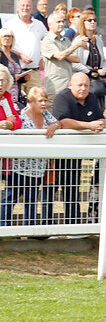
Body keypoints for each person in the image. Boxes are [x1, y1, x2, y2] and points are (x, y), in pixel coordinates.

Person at [0, 86, 60, 228]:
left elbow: (59, 123)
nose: (44, 104)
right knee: (10, 198)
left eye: (45, 100)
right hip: (19, 168)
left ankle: (30, 228)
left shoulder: (47, 116)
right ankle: (4, 227)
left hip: (38, 168)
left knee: (32, 200)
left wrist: (54, 126)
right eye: (40, 101)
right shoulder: (22, 118)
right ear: (31, 101)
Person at [51, 73, 105, 223]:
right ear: (70, 85)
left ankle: (72, 223)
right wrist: (89, 125)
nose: (83, 88)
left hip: (77, 151)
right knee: (51, 190)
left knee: (72, 188)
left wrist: (101, 124)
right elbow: (63, 121)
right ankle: (45, 226)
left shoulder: (92, 98)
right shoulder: (62, 97)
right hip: (58, 151)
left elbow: (100, 117)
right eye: (79, 85)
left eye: (86, 85)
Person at [41, 12, 89, 109]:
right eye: (58, 22)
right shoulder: (47, 41)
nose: (62, 24)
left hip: (68, 86)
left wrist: (63, 53)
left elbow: (76, 59)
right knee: (54, 117)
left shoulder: (66, 41)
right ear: (50, 24)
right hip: (55, 87)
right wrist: (74, 46)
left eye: (63, 22)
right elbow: (59, 56)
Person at [76, 11, 106, 111]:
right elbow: (74, 63)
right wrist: (89, 71)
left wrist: (103, 69)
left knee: (99, 108)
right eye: (89, 20)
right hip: (85, 80)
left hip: (98, 80)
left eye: (94, 20)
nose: (92, 22)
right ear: (83, 23)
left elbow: (103, 59)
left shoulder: (98, 41)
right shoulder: (79, 40)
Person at [6, 0, 46, 73]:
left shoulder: (39, 24)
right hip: (15, 72)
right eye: (22, 5)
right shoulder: (9, 25)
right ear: (17, 8)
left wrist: (43, 58)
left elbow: (47, 42)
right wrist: (20, 55)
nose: (25, 8)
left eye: (28, 6)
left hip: (34, 71)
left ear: (32, 9)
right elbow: (3, 46)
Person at [0, 28, 29, 109]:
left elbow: (18, 74)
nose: (7, 38)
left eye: (10, 36)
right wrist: (13, 77)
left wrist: (23, 78)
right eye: (4, 36)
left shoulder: (14, 55)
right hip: (4, 92)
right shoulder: (0, 54)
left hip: (16, 93)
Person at [0, 65, 22, 131]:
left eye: (3, 80)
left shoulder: (6, 98)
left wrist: (11, 124)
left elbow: (19, 122)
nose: (0, 83)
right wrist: (5, 122)